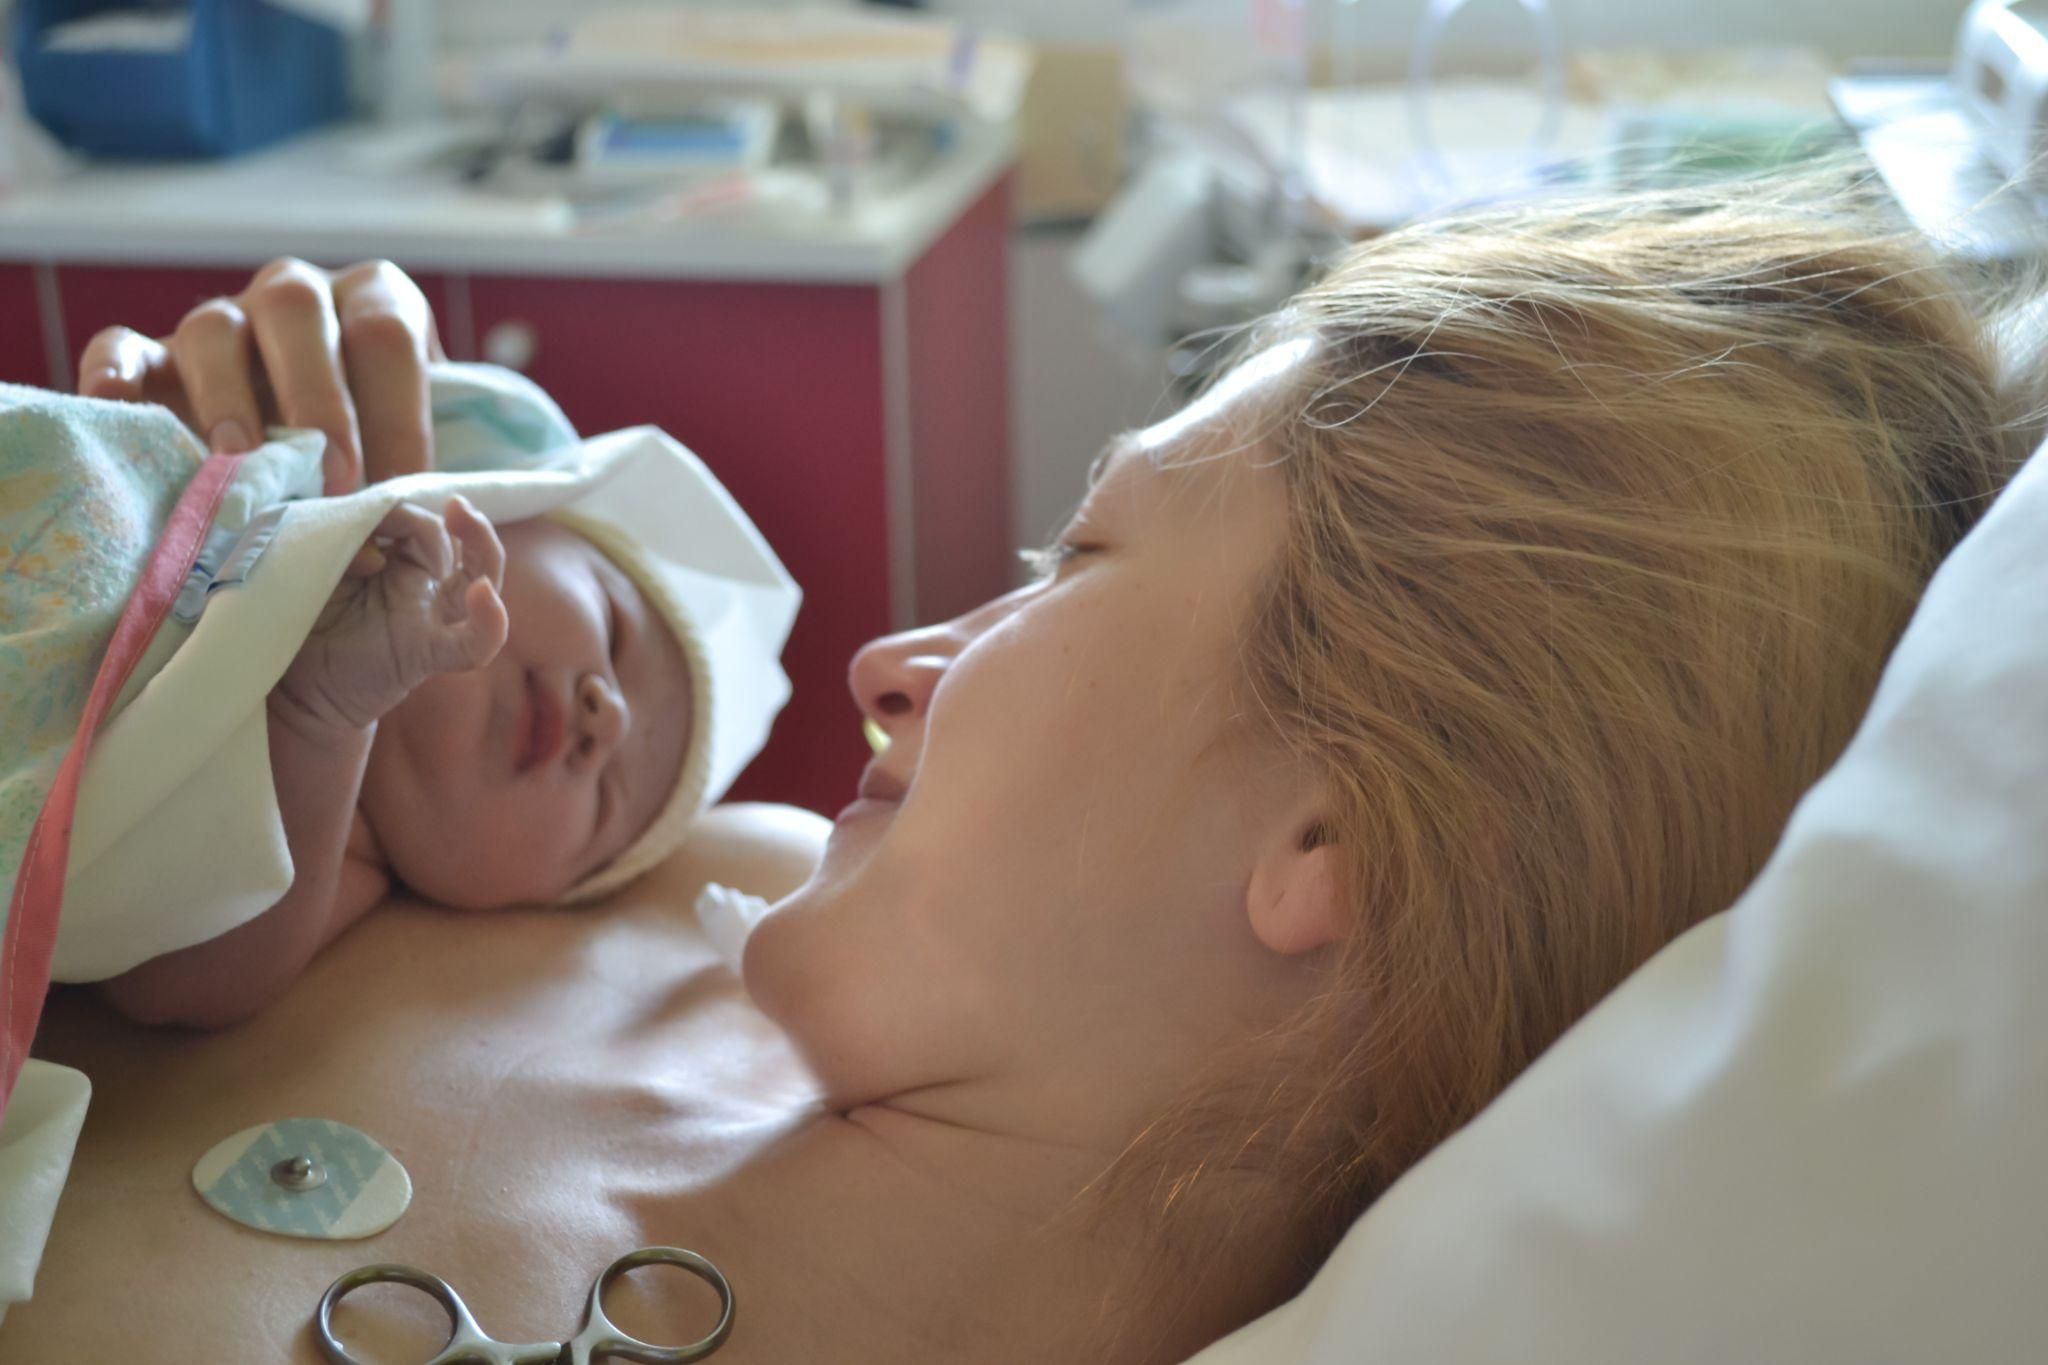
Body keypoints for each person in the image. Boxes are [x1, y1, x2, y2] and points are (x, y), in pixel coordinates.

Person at [50, 176, 2036, 1362]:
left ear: (1326, 817)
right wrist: (157, 598)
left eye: (1073, 559)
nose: (886, 658)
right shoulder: (661, 859)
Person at [8, 364, 794, 1029]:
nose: (607, 720)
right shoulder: (315, 483)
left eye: (607, 806)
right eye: (616, 633)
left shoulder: (347, 860)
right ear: (508, 507)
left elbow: (171, 979)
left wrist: (319, 715)